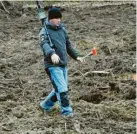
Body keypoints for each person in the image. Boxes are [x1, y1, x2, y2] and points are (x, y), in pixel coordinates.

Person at [39, 7, 84, 116]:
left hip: (63, 64)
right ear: (50, 19)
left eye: (60, 18)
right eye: (56, 18)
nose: (59, 20)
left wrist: (76, 56)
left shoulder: (62, 30)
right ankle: (67, 113)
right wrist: (52, 54)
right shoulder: (44, 32)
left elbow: (68, 46)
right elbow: (44, 45)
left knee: (59, 89)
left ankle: (45, 105)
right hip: (52, 65)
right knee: (62, 89)